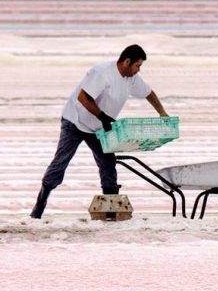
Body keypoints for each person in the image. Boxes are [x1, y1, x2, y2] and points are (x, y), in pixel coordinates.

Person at [31, 44, 170, 218]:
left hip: (98, 127)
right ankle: (39, 205)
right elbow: (83, 97)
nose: (138, 70)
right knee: (60, 163)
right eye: (137, 65)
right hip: (75, 122)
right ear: (127, 61)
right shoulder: (102, 73)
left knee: (108, 164)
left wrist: (162, 112)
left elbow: (149, 93)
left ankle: (110, 212)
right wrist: (104, 117)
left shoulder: (131, 78)